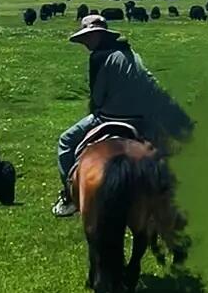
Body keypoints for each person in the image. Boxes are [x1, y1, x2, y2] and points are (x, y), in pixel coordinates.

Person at [52, 14, 193, 217]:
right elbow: (150, 82)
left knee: (66, 141)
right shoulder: (130, 52)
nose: (86, 43)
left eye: (89, 38)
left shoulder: (98, 57)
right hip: (142, 118)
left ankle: (70, 195)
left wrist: (97, 108)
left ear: (99, 36)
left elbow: (98, 96)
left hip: (110, 117)